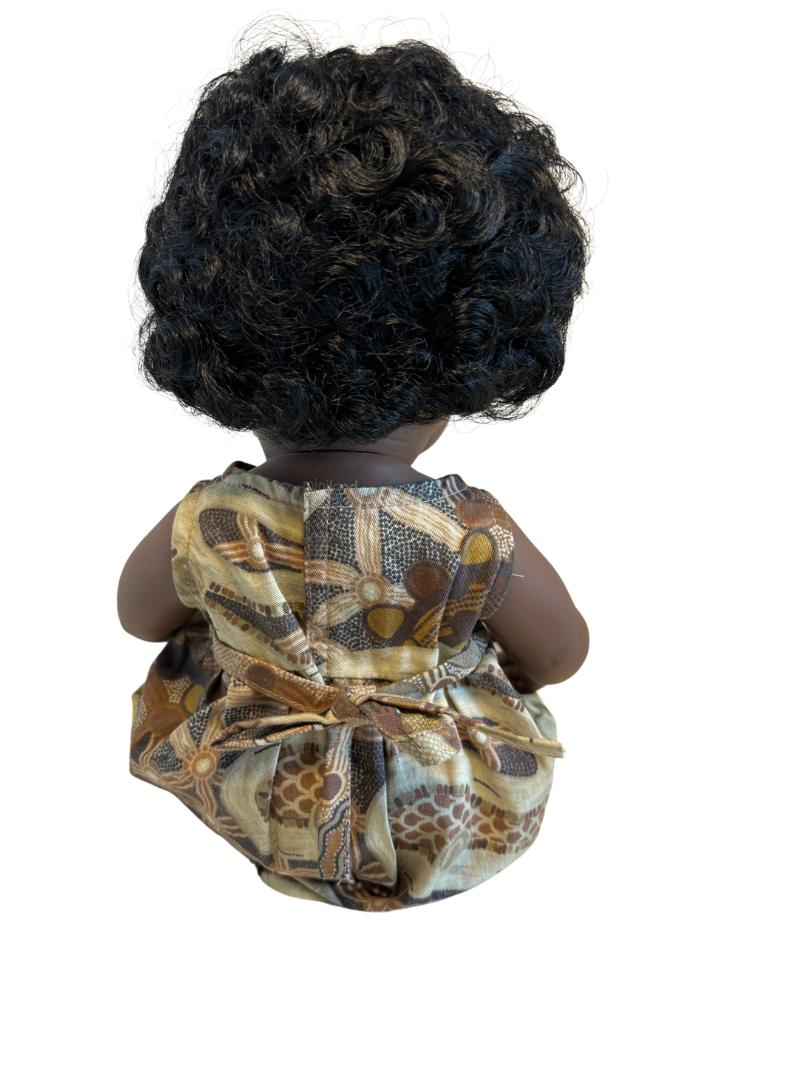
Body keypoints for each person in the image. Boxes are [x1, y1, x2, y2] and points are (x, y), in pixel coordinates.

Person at [117, 29, 591, 911]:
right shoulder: (468, 533)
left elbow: (137, 616)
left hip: (253, 790)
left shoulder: (216, 520)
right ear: (466, 356)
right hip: (448, 812)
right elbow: (562, 653)